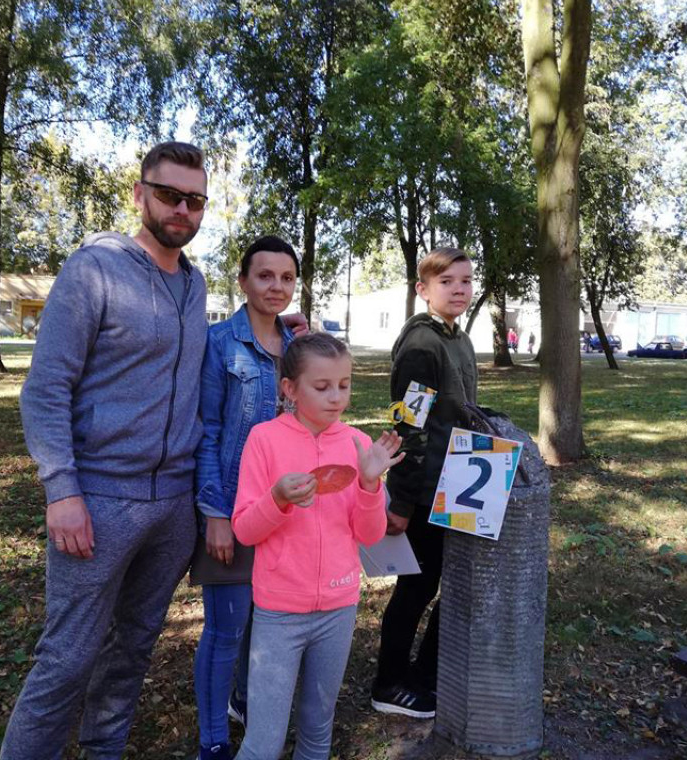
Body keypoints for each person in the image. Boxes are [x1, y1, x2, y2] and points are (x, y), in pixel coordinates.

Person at [1, 141, 213, 760]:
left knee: (134, 649)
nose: (182, 209)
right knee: (66, 659)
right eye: (170, 194)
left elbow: (203, 360)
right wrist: (61, 491)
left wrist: (280, 331)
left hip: (173, 507)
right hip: (98, 501)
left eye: (195, 200)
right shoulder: (94, 268)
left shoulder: (196, 285)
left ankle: (103, 750)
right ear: (140, 193)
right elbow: (45, 389)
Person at [231, 333, 402, 760]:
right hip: (279, 613)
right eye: (322, 387)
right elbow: (244, 531)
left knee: (317, 728)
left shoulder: (359, 445)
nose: (336, 397)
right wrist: (277, 500)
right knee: (263, 741)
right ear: (289, 389)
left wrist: (368, 483)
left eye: (344, 385)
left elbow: (369, 535)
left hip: (339, 608)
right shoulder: (264, 440)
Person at [193, 236, 300, 760]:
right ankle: (213, 739)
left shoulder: (299, 348)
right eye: (265, 276)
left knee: (268, 622)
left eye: (286, 277)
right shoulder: (219, 344)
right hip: (234, 509)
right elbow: (207, 431)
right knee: (227, 627)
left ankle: (243, 700)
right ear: (243, 282)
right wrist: (214, 513)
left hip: (286, 513)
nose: (275, 286)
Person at [371, 247, 477, 719]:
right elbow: (409, 425)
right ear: (423, 289)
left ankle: (428, 674)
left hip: (460, 481)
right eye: (447, 281)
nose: (458, 289)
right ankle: (389, 681)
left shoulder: (459, 337)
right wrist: (402, 500)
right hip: (426, 488)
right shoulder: (421, 344)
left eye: (466, 281)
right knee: (416, 587)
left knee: (452, 583)